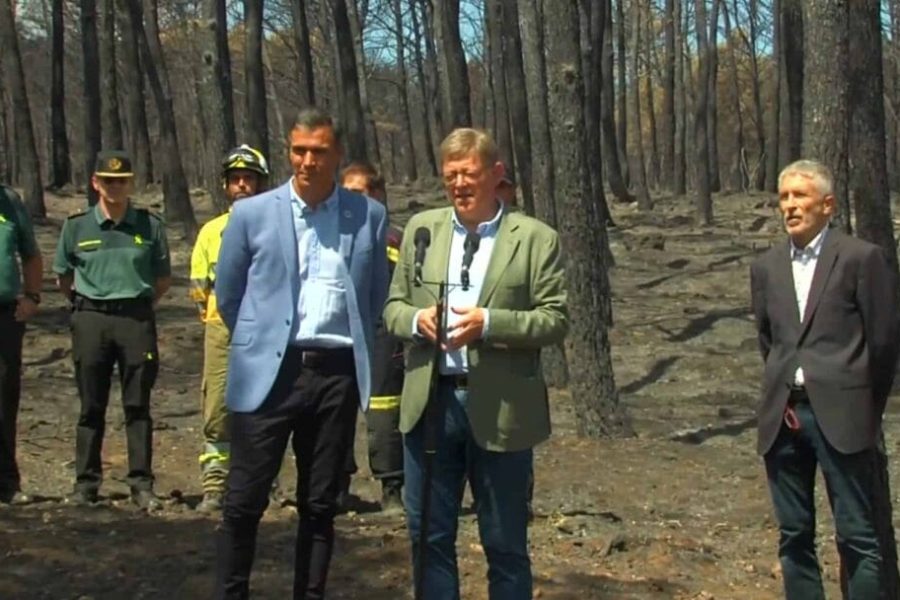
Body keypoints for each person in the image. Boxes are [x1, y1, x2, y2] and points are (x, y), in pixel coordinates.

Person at [383, 127, 568, 599]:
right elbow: (392, 307)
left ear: (496, 174)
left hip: (502, 407)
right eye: (450, 177)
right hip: (430, 406)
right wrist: (415, 318)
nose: (460, 185)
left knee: (505, 545)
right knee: (428, 537)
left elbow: (554, 320)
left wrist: (490, 323)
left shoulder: (534, 239)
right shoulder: (423, 231)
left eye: (469, 174)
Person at [213, 108, 389, 599]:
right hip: (270, 372)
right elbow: (229, 293)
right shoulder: (252, 213)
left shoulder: (367, 216)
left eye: (318, 151)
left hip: (336, 374)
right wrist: (259, 339)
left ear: (336, 155)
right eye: (298, 150)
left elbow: (375, 296)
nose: (307, 161)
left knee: (319, 505)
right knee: (243, 502)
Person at [750, 159, 900, 598]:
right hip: (783, 419)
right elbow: (769, 341)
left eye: (801, 196)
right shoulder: (766, 267)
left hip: (843, 417)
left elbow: (885, 342)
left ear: (828, 204)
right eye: (784, 197)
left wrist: (862, 405)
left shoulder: (860, 258)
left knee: (858, 538)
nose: (790, 206)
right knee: (794, 537)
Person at [53, 150, 171, 510]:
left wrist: (138, 306)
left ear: (131, 183)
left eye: (122, 181)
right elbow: (63, 276)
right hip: (91, 319)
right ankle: (86, 484)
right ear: (96, 183)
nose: (115, 187)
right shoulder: (76, 226)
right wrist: (90, 303)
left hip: (135, 319)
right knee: (91, 405)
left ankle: (141, 483)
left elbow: (162, 278)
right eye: (108, 181)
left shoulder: (149, 225)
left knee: (137, 405)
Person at [190, 144, 269, 514]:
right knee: (218, 404)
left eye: (248, 179)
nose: (242, 186)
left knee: (264, 404)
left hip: (265, 327)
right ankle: (215, 484)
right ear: (226, 186)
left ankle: (260, 480)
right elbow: (198, 289)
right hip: (221, 328)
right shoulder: (210, 232)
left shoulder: (274, 227)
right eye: (235, 180)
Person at [338, 161, 405, 514]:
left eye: (362, 193)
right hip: (339, 332)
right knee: (335, 410)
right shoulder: (328, 235)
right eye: (347, 194)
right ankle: (337, 484)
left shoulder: (394, 239)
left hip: (382, 333)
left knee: (383, 411)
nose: (354, 202)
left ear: (378, 196)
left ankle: (392, 486)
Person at [0, 184, 42, 505]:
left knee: (4, 396)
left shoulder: (9, 200)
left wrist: (32, 296)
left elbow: (30, 253)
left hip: (5, 313)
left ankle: (7, 482)